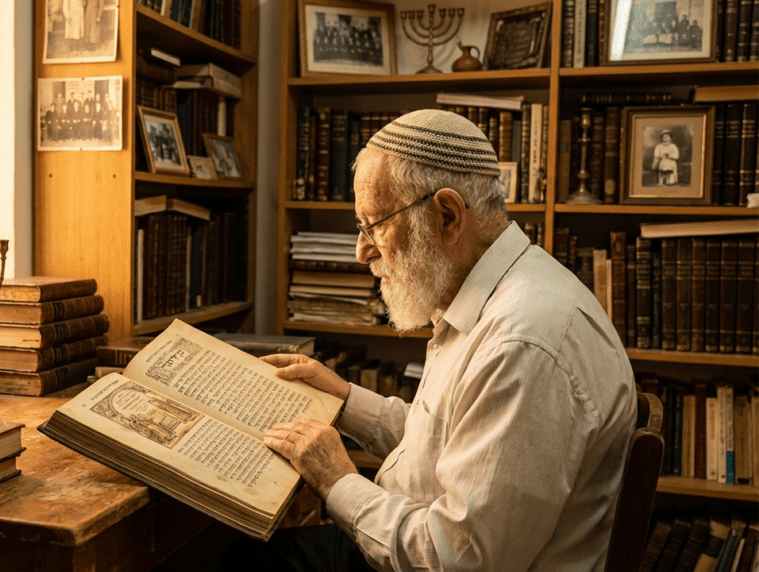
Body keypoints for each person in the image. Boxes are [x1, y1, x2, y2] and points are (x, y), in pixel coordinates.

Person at [219, 109, 636, 571]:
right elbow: (453, 443)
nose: (362, 252)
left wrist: (336, 480)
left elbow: (455, 559)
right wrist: (346, 400)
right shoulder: (494, 293)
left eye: (373, 224)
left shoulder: (522, 344)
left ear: (448, 215)